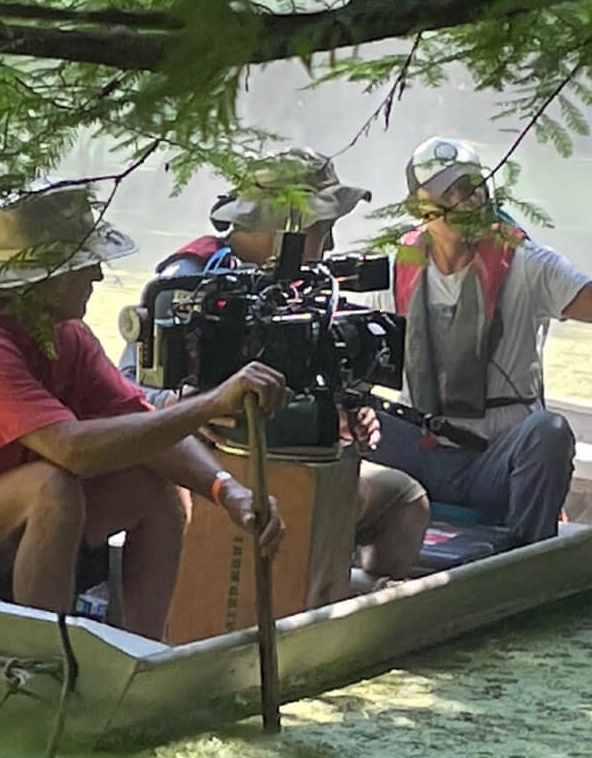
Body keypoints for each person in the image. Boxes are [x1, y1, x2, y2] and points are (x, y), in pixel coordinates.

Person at [0, 188, 288, 640]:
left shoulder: (65, 336)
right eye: (86, 263)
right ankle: (44, 658)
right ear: (47, 276)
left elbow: (141, 421)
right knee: (50, 487)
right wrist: (209, 403)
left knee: (153, 484)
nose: (98, 276)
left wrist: (227, 491)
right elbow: (72, 451)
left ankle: (144, 651)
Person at [119, 148, 430, 580]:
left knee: (405, 500)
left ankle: (347, 603)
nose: (333, 245)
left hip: (287, 452)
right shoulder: (187, 280)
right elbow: (128, 394)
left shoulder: (304, 285)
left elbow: (306, 368)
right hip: (209, 461)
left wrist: (345, 409)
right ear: (291, 226)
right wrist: (189, 405)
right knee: (320, 502)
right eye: (325, 229)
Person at [365, 136, 592, 546]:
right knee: (344, 414)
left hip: (493, 465)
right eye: (450, 192)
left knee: (549, 432)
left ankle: (526, 556)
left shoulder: (529, 265)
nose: (467, 201)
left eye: (473, 187)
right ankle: (347, 540)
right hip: (419, 456)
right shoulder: (392, 271)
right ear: (421, 208)